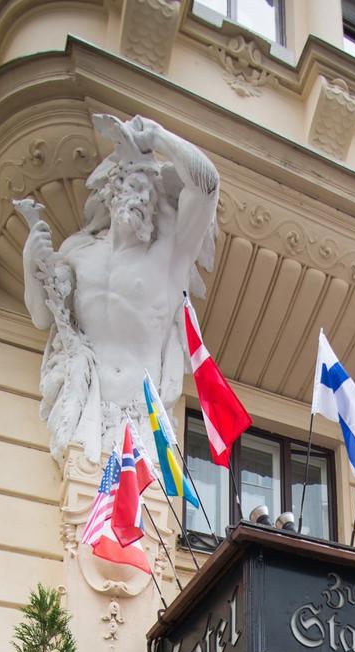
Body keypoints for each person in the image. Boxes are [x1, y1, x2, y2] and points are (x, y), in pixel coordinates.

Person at [19, 114, 218, 462]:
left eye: (147, 191)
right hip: (84, 412)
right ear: (112, 192)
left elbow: (207, 186)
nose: (139, 197)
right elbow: (41, 316)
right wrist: (29, 263)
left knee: (141, 517)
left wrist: (157, 137)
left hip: (140, 419)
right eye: (131, 185)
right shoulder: (77, 253)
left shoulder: (168, 258)